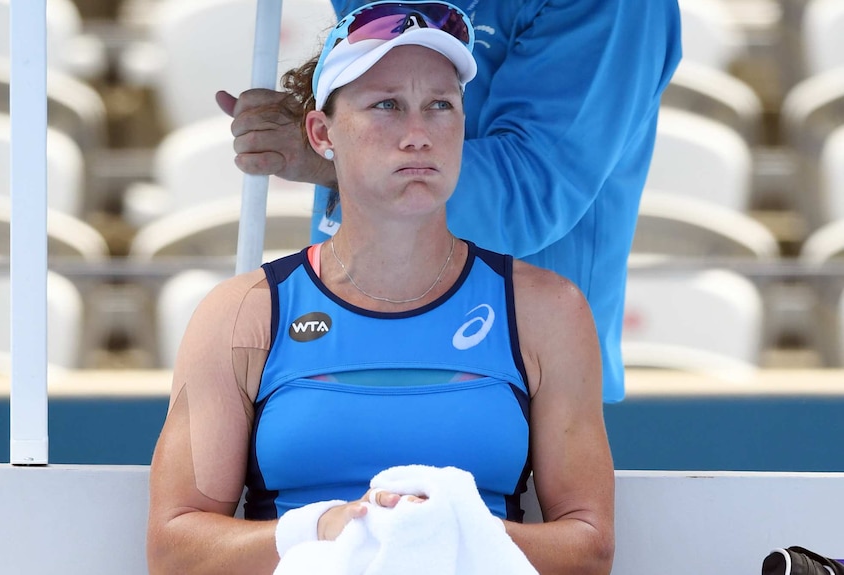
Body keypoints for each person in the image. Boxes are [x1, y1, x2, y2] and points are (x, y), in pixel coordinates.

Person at [148, 2, 614, 574]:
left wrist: (443, 530)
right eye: (386, 105)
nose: (418, 134)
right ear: (321, 133)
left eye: (440, 105)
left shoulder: (548, 312)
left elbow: (589, 549)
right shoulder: (243, 313)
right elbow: (175, 552)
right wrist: (323, 528)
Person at [217, 0, 683, 404]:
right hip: (339, 344)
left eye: (442, 106)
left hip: (520, 374)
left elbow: (530, 187)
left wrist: (326, 153)